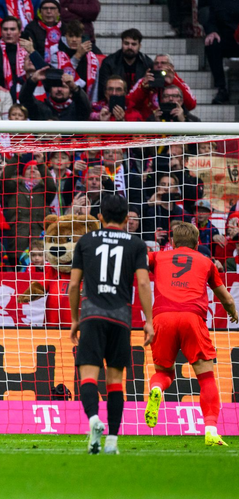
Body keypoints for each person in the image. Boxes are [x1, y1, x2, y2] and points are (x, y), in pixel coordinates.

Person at [69, 194, 154, 455]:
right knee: (116, 381)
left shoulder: (85, 241)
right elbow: (142, 283)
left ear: (100, 217)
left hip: (92, 316)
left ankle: (94, 420)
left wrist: (74, 319)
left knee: (88, 376)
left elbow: (73, 285)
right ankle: (112, 442)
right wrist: (149, 321)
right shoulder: (137, 244)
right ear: (127, 218)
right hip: (121, 318)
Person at [144, 222, 238, 446]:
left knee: (164, 373)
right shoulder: (206, 262)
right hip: (192, 318)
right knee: (205, 378)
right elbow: (226, 298)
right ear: (198, 243)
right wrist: (233, 312)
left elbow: (135, 265)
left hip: (162, 318)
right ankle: (211, 430)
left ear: (173, 243)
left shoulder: (157, 257)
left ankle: (156, 389)